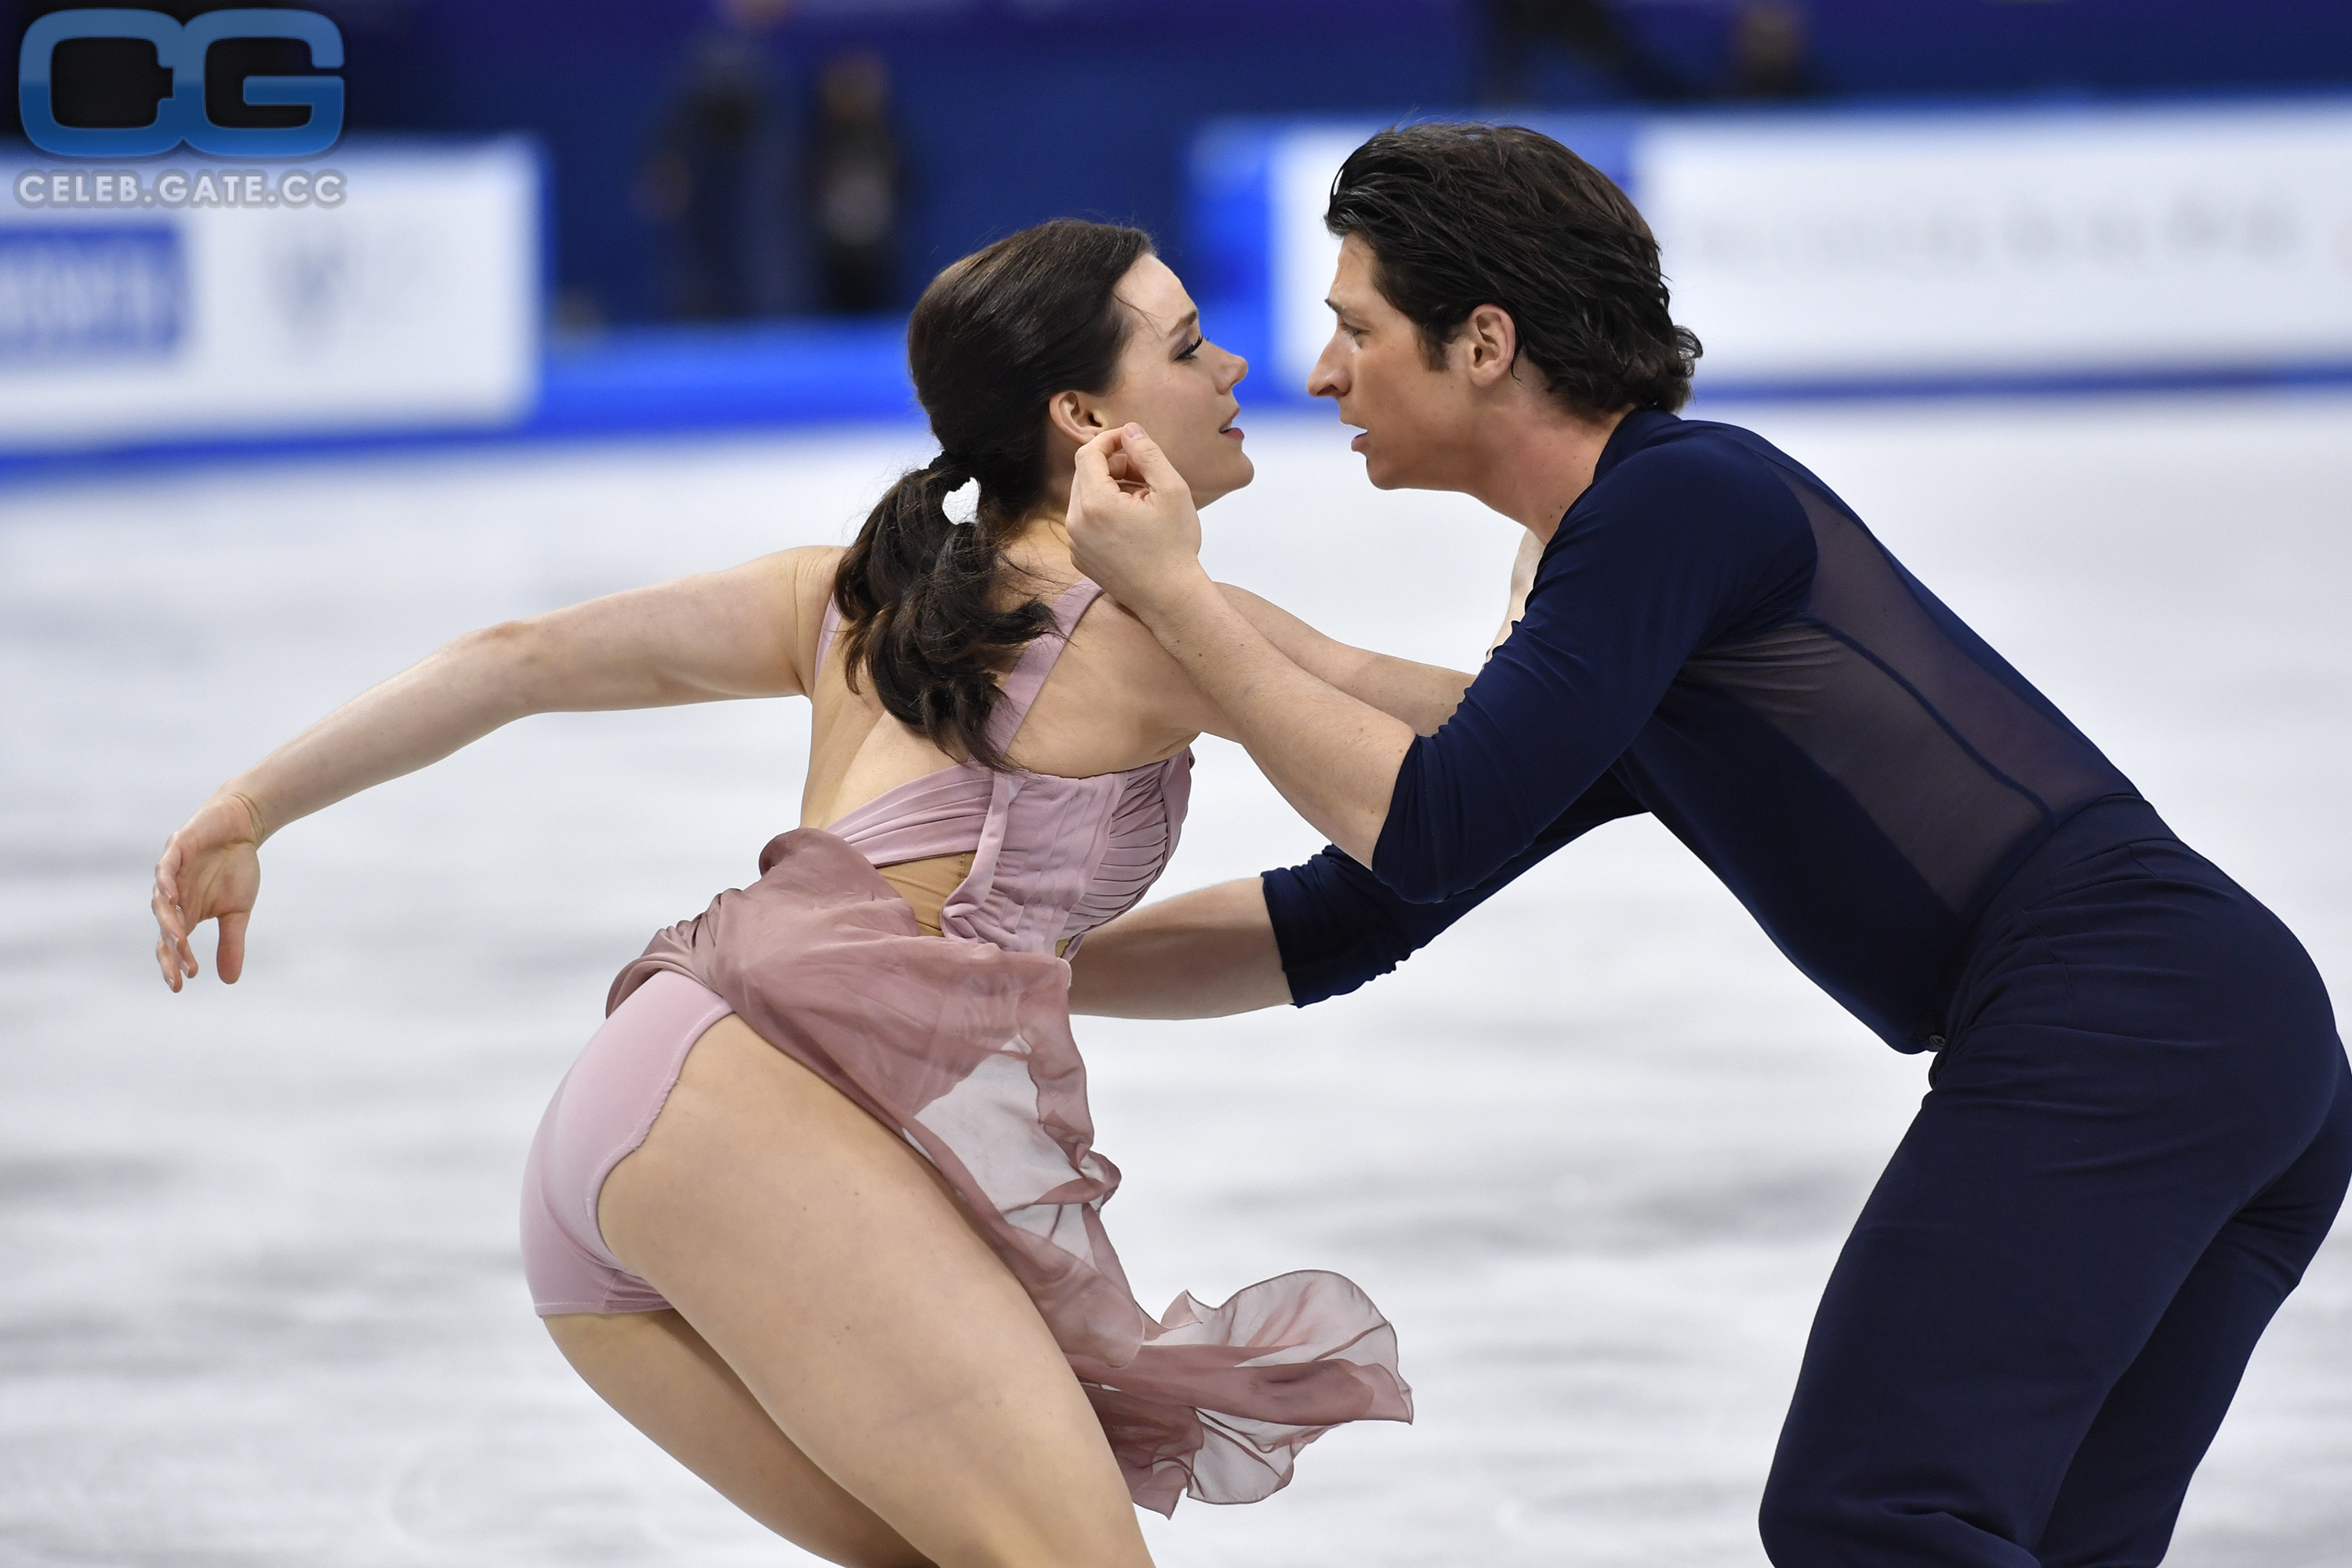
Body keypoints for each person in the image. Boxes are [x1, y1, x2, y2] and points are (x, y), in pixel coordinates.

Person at [1065, 123, 2350, 1566]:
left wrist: (1177, 606)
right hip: (2213, 1042)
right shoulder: (1635, 585)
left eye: (1356, 329)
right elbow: (1351, 915)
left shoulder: (1677, 502)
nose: (1322, 376)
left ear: (1483, 342)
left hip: (2131, 1019)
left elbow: (1429, 815)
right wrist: (1020, 971)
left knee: (1873, 1518)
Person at [149, 220, 1444, 1568]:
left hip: (630, 1135)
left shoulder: (856, 599)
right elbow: (1477, 747)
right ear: (1079, 416)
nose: (1234, 363)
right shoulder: (1146, 626)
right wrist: (1604, 572)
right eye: (1185, 345)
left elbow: (519, 658)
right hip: (747, 1120)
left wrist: (253, 806)